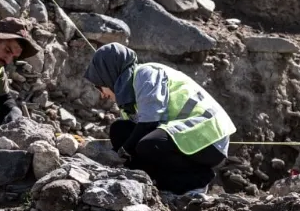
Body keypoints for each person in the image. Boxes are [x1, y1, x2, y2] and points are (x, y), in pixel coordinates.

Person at [83, 43, 235, 195]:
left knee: (149, 144)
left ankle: (197, 180)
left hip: (208, 136)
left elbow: (149, 123)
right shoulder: (128, 99)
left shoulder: (144, 73)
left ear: (109, 75)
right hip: (186, 136)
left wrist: (122, 153)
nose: (102, 94)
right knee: (120, 130)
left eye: (99, 86)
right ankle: (162, 183)